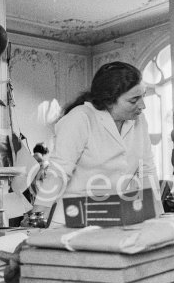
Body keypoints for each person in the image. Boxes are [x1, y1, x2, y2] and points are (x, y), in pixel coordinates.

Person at [29, 61, 163, 226]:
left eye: (143, 96)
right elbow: (58, 173)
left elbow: (147, 170)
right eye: (134, 100)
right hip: (73, 219)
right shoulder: (80, 118)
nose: (142, 105)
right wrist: (36, 221)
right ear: (109, 100)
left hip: (116, 216)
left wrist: (158, 218)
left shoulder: (138, 120)